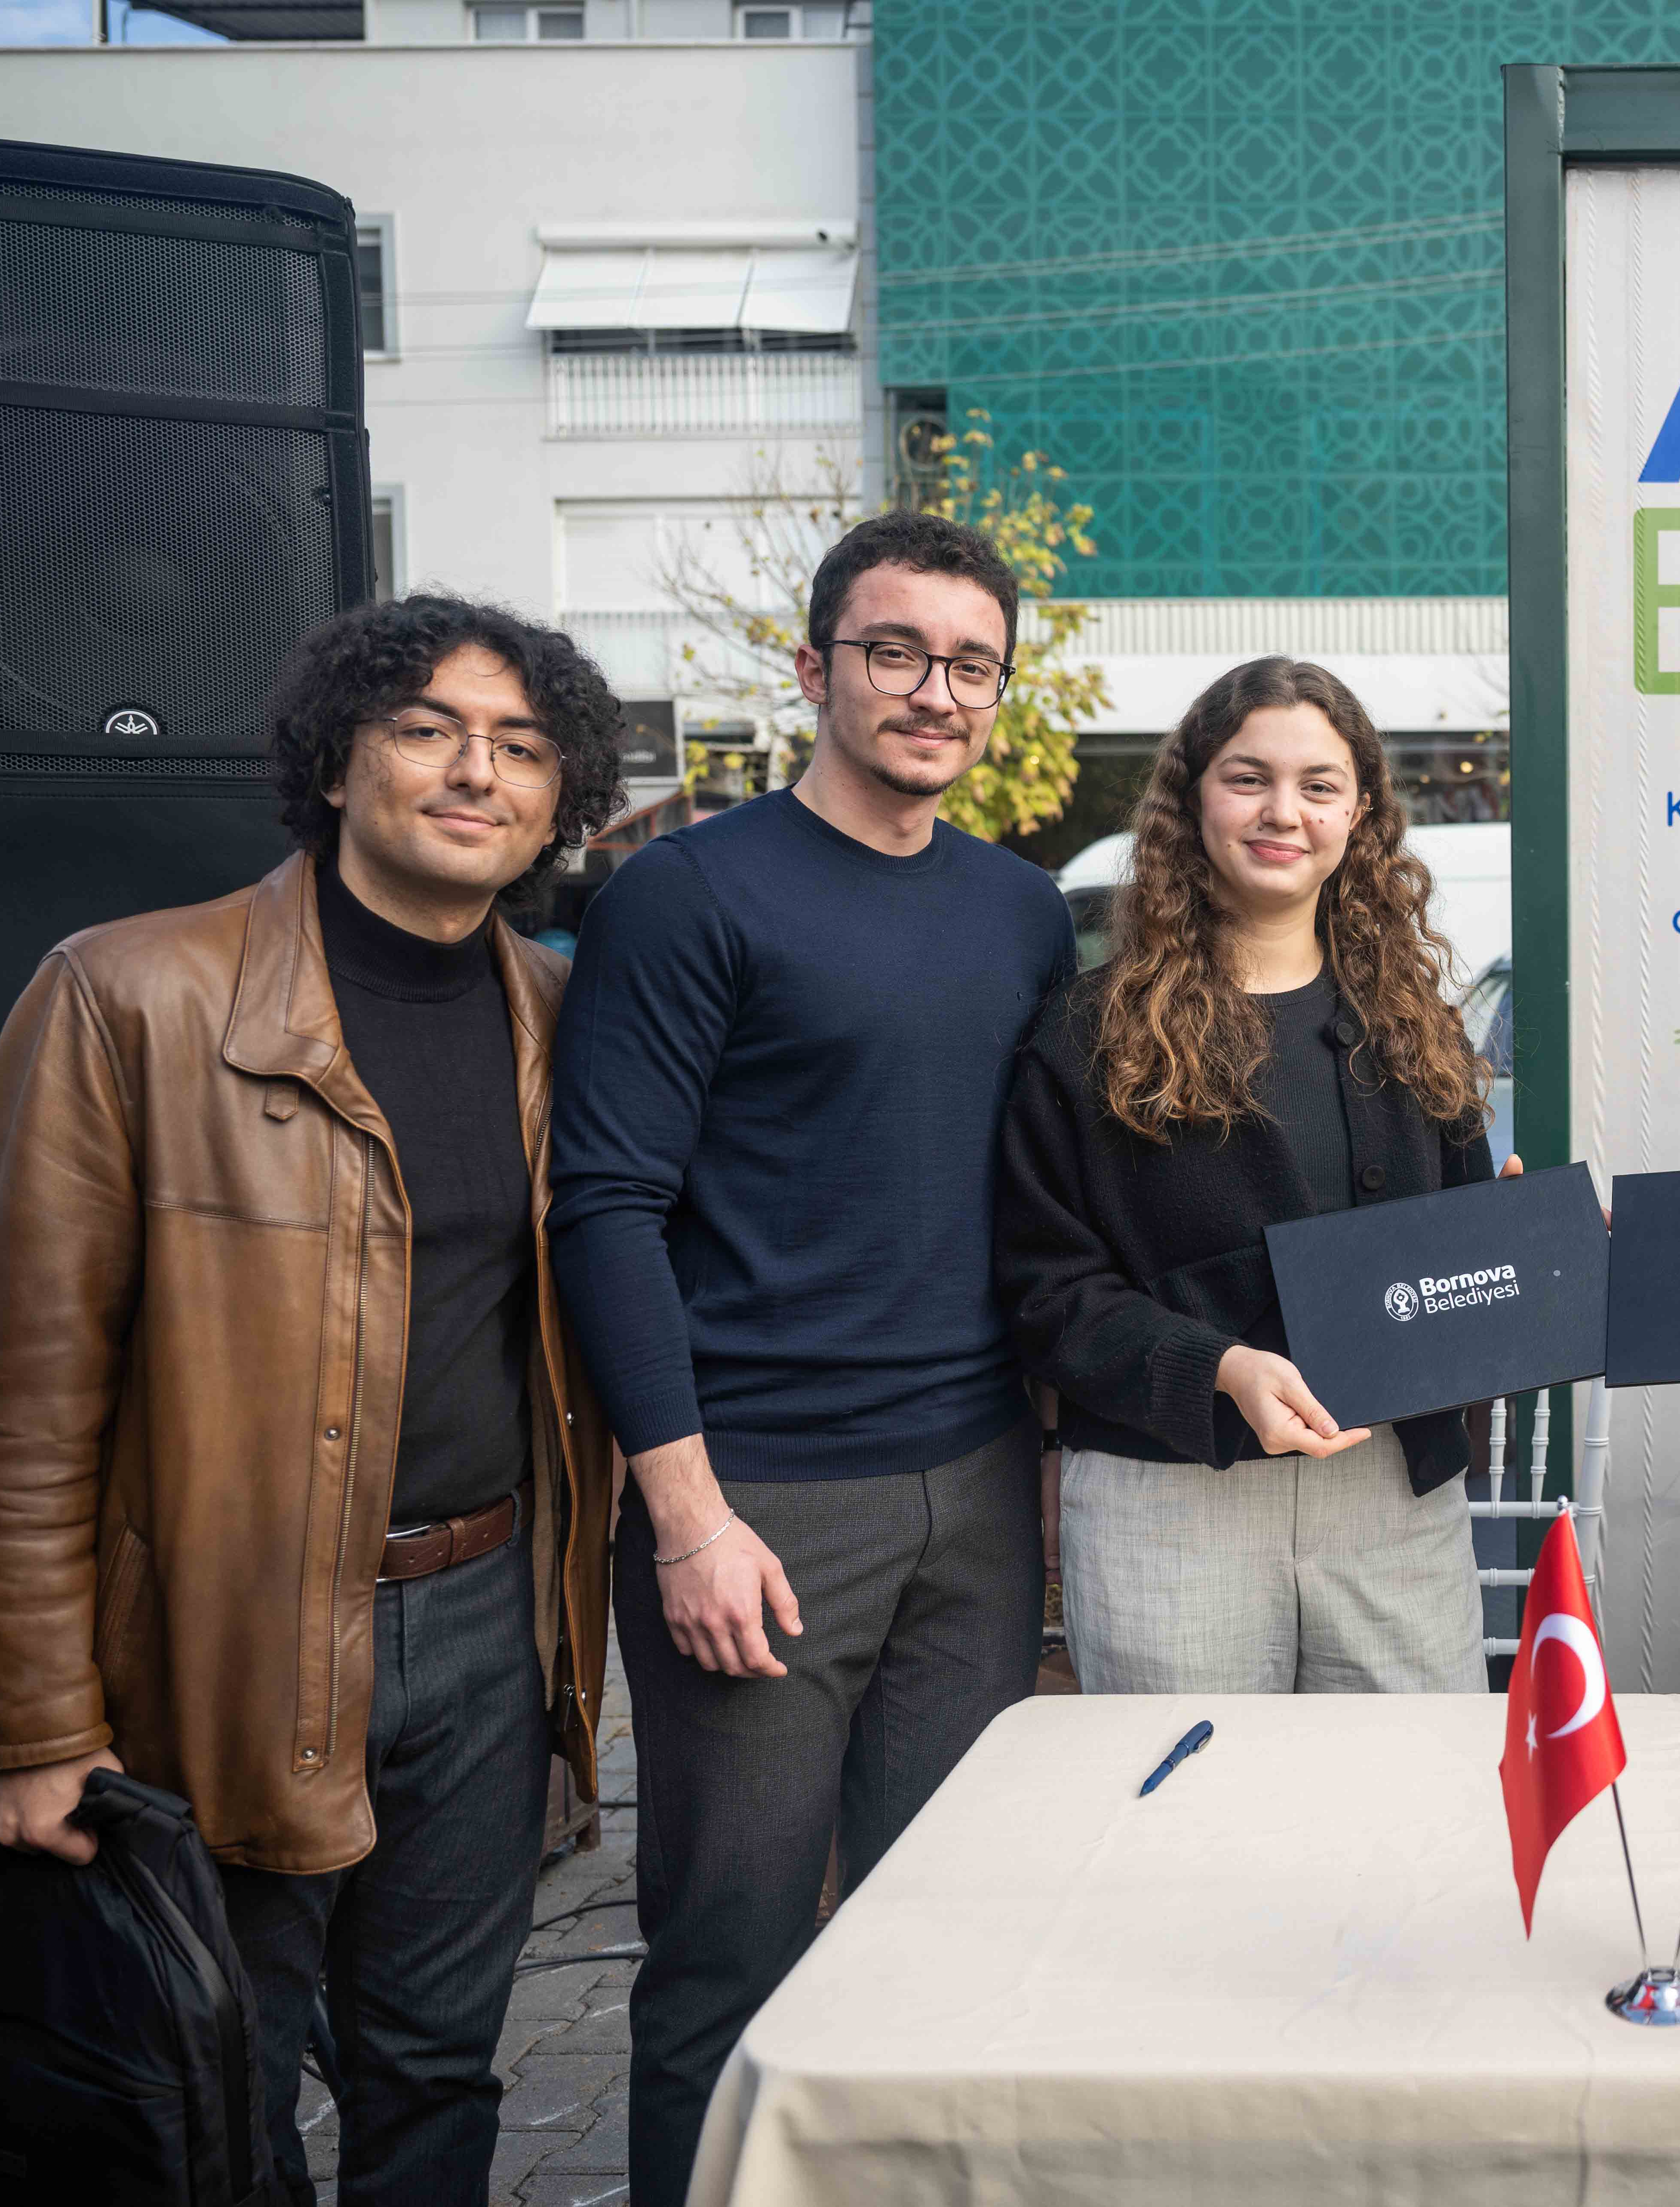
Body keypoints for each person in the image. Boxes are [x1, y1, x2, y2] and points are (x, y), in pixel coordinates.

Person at [0, 596, 627, 2206]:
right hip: (219, 1638)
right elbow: (17, 1397)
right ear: (332, 761)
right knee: (213, 2088)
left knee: (438, 2073)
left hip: (486, 1620)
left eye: (522, 746)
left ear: (560, 798)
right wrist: (29, 1726)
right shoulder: (131, 994)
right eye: (428, 729)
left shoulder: (562, 1018)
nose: (477, 771)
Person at [547, 511, 1078, 2207]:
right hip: (762, 1502)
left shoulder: (1019, 912)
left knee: (938, 1931)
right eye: (895, 652)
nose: (936, 691)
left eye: (971, 664)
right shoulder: (685, 895)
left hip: (976, 1493)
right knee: (735, 1953)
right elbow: (604, 1209)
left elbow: (1048, 1201)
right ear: (813, 668)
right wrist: (687, 1516)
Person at [996, 656, 1504, 1693]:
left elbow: (1456, 1259)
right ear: (1192, 800)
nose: (1284, 812)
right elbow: (1045, 1289)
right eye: (1248, 778)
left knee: (1409, 1789)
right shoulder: (1088, 1035)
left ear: (1359, 815)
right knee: (1189, 1791)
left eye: (1319, 785)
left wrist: (1513, 1246)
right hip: (1166, 1498)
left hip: (1391, 1496)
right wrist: (1220, 1368)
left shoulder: (1417, 1029)